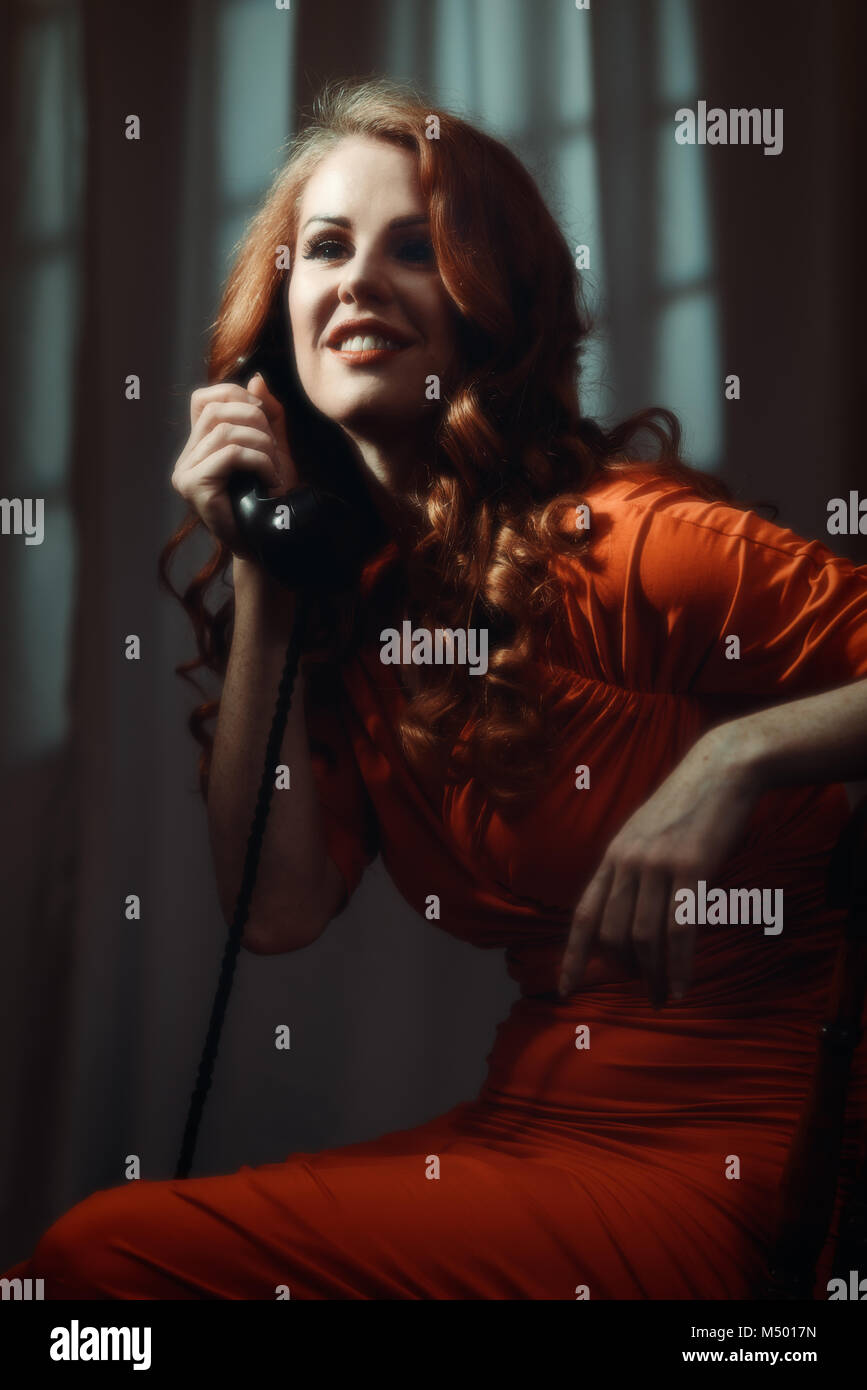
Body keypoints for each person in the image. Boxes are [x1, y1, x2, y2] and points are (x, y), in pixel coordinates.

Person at [5, 78, 867, 1301]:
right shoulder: (363, 607)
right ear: (281, 312)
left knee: (105, 1264)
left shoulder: (632, 543)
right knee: (62, 1281)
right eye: (327, 248)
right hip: (530, 1124)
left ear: (489, 306)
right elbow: (278, 908)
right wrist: (271, 574)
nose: (360, 280)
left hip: (736, 1158)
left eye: (417, 247)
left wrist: (737, 756)